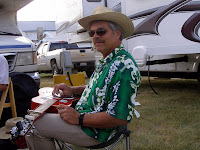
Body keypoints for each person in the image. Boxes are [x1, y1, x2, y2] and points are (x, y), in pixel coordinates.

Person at [25, 6, 141, 150]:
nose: (95, 36)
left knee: (35, 125)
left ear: (117, 34)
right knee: (38, 117)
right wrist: (72, 89)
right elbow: (100, 89)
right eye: (92, 33)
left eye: (101, 31)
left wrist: (79, 118)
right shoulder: (109, 60)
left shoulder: (124, 67)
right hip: (87, 120)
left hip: (97, 131)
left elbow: (119, 117)